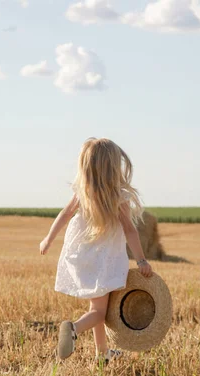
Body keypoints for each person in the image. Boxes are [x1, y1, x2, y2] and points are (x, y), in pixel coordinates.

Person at [39, 137, 153, 364]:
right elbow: (130, 231)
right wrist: (141, 261)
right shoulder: (118, 197)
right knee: (99, 312)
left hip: (84, 257)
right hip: (105, 261)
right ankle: (73, 328)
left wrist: (48, 239)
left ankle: (102, 354)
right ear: (113, 167)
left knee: (97, 306)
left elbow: (64, 214)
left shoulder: (84, 193)